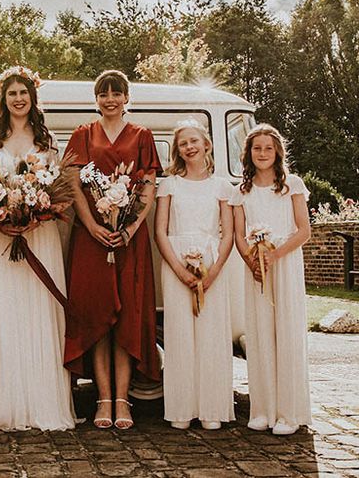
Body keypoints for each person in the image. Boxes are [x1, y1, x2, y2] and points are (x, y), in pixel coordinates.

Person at [0, 67, 76, 432]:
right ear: (3, 99)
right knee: (4, 312)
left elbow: (57, 192)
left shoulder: (48, 142)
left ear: (32, 97)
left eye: (23, 92)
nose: (18, 98)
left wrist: (33, 216)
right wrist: (0, 216)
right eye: (11, 93)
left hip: (38, 236)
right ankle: (1, 404)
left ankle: (41, 403)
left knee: (36, 313)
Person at [63, 70, 161, 430]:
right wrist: (91, 225)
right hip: (90, 240)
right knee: (99, 317)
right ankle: (103, 399)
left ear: (126, 97)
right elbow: (73, 185)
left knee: (126, 318)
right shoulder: (83, 134)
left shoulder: (142, 135)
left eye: (116, 93)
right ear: (96, 99)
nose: (110, 99)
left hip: (129, 242)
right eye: (103, 94)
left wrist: (131, 228)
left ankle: (123, 399)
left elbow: (147, 186)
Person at [230, 123, 311, 435]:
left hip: (285, 263)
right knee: (260, 334)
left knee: (285, 332)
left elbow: (304, 230)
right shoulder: (241, 191)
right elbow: (238, 233)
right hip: (256, 269)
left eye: (268, 148)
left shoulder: (292, 184)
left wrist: (276, 255)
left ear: (277, 151)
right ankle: (262, 408)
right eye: (256, 148)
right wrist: (250, 260)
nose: (262, 153)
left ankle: (288, 412)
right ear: (249, 153)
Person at [154, 119, 235, 430]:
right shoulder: (170, 185)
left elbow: (227, 234)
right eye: (183, 143)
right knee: (180, 333)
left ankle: (212, 408)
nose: (188, 147)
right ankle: (181, 408)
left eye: (193, 141)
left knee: (211, 333)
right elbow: (160, 231)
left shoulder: (221, 187)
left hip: (211, 259)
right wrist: (178, 269)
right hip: (176, 259)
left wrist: (212, 273)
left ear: (206, 145)